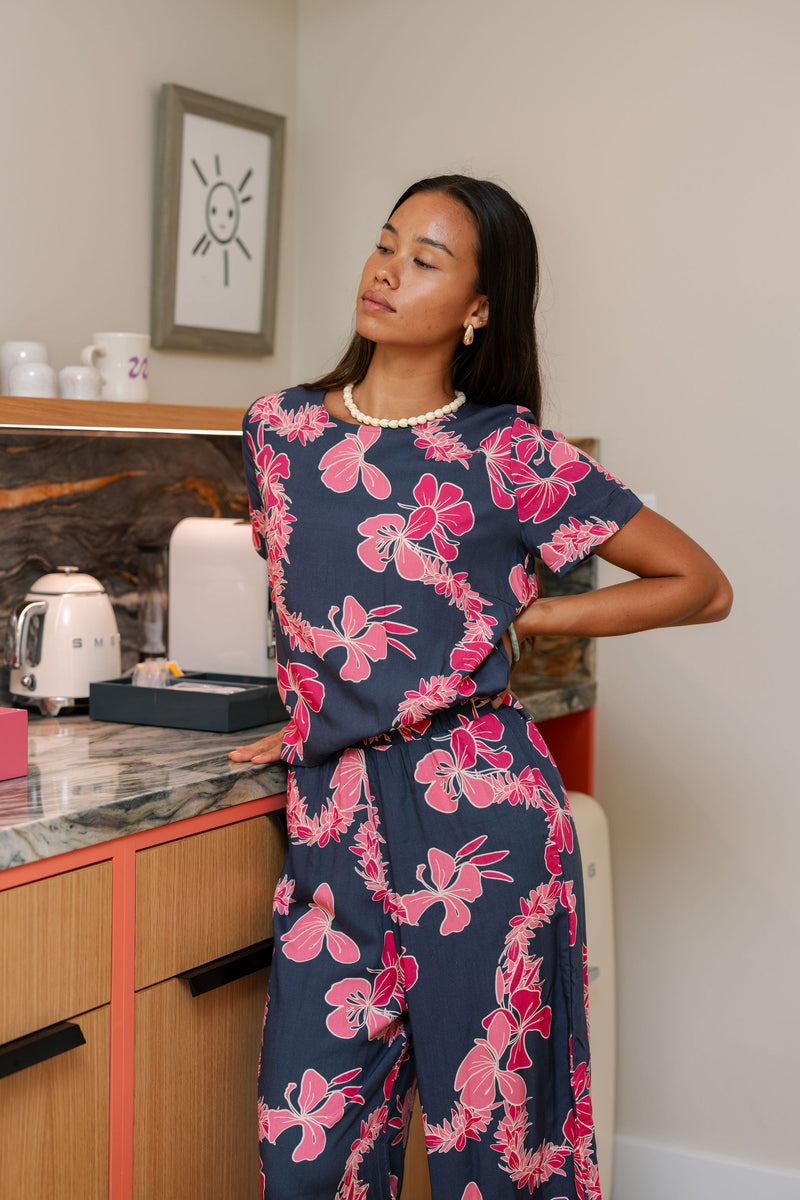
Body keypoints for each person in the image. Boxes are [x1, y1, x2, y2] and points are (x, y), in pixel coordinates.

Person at [229, 175, 732, 1200]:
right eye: (383, 244)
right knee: (306, 1155)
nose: (385, 270)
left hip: (482, 826)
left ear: (476, 309)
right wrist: (304, 711)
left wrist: (527, 614)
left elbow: (699, 584)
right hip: (332, 829)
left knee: (496, 1164)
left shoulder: (504, 453)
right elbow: (317, 608)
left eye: (425, 259)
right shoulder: (276, 432)